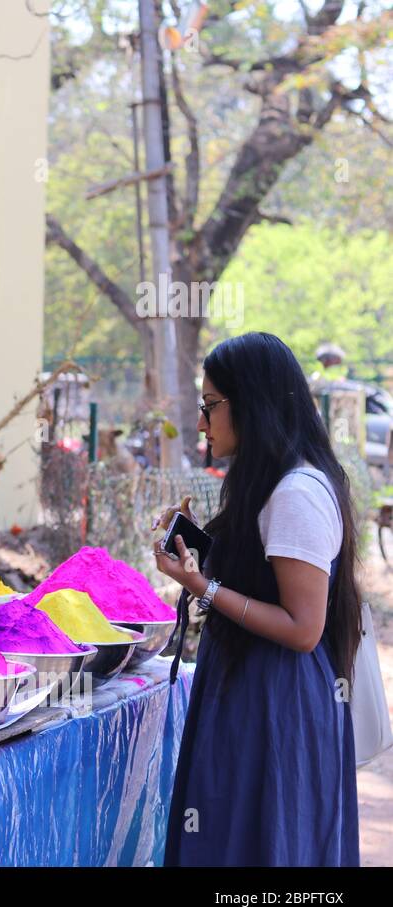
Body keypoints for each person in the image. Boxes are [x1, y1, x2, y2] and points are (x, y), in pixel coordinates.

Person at [154, 331, 361, 866]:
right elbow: (263, 578)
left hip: (279, 705)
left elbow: (302, 628)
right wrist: (206, 551)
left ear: (252, 402)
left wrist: (203, 586)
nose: (201, 422)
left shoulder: (296, 493)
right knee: (234, 842)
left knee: (268, 848)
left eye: (210, 406)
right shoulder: (268, 484)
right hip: (252, 693)